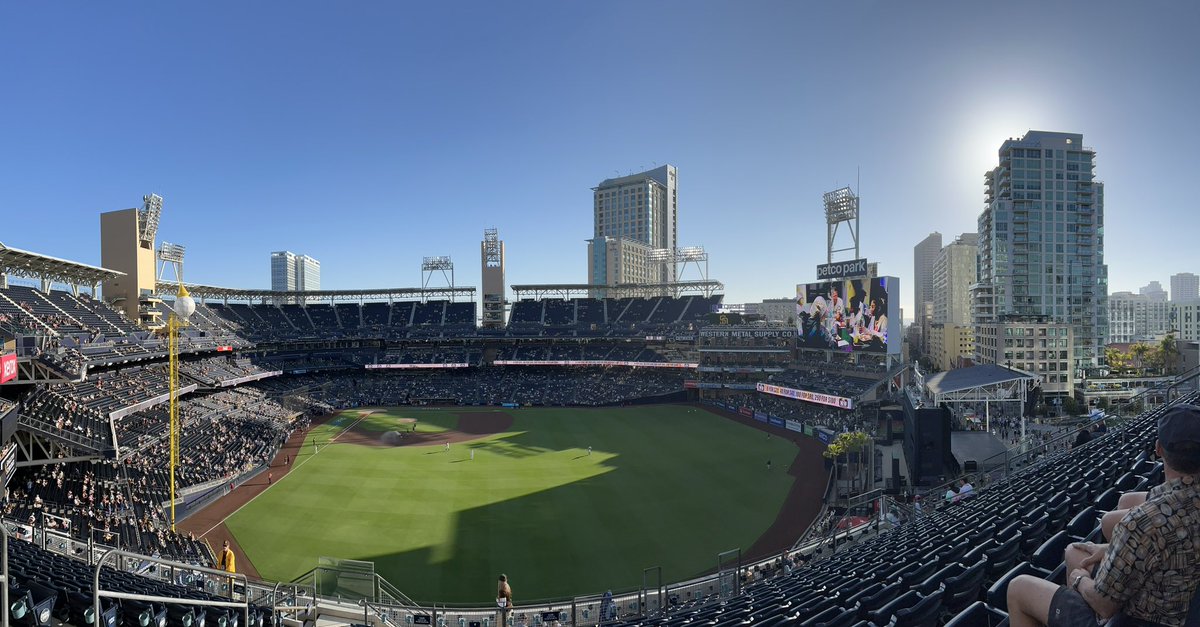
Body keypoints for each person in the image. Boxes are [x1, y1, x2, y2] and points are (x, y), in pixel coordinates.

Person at [1006, 403, 1200, 626]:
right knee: (1075, 552)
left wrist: (1079, 580)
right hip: (1181, 607)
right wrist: (1111, 548)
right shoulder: (1162, 516)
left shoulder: (1143, 521)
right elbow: (1179, 544)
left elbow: (1104, 604)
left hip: (1136, 617)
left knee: (1018, 586)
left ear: (1158, 449)